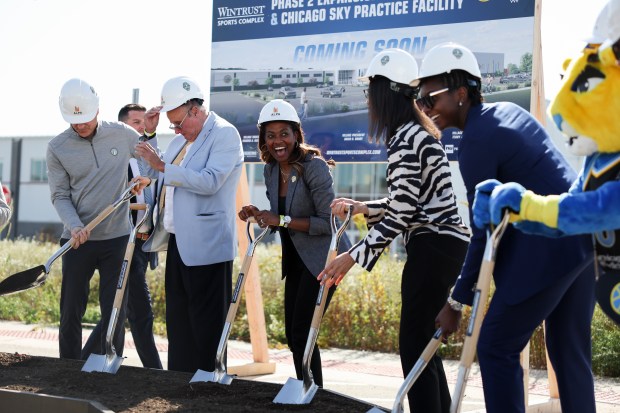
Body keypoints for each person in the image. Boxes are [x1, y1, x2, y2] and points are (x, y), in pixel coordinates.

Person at [416, 43, 595, 413]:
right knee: (568, 351)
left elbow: (484, 232)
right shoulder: (508, 112)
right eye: (419, 101)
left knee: (496, 344)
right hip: (583, 240)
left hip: (549, 248)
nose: (424, 108)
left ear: (461, 92)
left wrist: (455, 301)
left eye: (429, 98)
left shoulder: (476, 143)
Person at [318, 49, 471, 413]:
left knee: (414, 346)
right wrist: (365, 209)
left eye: (371, 92)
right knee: (425, 347)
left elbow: (404, 211)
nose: (368, 101)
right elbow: (410, 202)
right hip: (444, 245)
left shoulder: (405, 139)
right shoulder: (418, 133)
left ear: (386, 92)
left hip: (433, 247)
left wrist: (351, 257)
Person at [133, 76, 244, 373]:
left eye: (179, 123)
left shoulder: (225, 134)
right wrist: (152, 134)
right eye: (172, 126)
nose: (177, 130)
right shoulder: (182, 140)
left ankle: (209, 382)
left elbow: (210, 182)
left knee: (207, 324)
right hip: (178, 242)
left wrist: (161, 167)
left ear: (195, 110)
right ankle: (178, 382)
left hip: (208, 245)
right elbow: (157, 173)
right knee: (179, 321)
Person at [238, 99, 350, 388]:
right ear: (263, 138)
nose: (278, 141)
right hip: (297, 260)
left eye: (284, 133)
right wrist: (259, 215)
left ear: (296, 135)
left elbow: (328, 222)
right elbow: (280, 218)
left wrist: (281, 220)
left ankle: (314, 395)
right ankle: (308, 390)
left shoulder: (315, 168)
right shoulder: (271, 170)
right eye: (271, 135)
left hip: (326, 259)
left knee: (304, 332)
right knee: (294, 334)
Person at [47, 78, 155, 361]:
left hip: (116, 238)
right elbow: (59, 195)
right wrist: (74, 225)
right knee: (71, 309)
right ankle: (68, 367)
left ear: (97, 110)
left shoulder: (122, 134)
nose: (80, 125)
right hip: (77, 240)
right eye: (74, 121)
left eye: (84, 119)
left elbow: (150, 159)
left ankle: (110, 362)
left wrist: (146, 178)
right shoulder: (57, 147)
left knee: (115, 308)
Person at [117, 103, 162, 369]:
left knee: (124, 308)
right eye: (136, 122)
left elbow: (156, 175)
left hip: (144, 245)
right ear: (122, 126)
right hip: (125, 242)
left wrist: (151, 135)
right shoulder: (116, 157)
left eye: (143, 122)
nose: (141, 127)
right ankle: (155, 371)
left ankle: (87, 359)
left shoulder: (144, 158)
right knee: (140, 311)